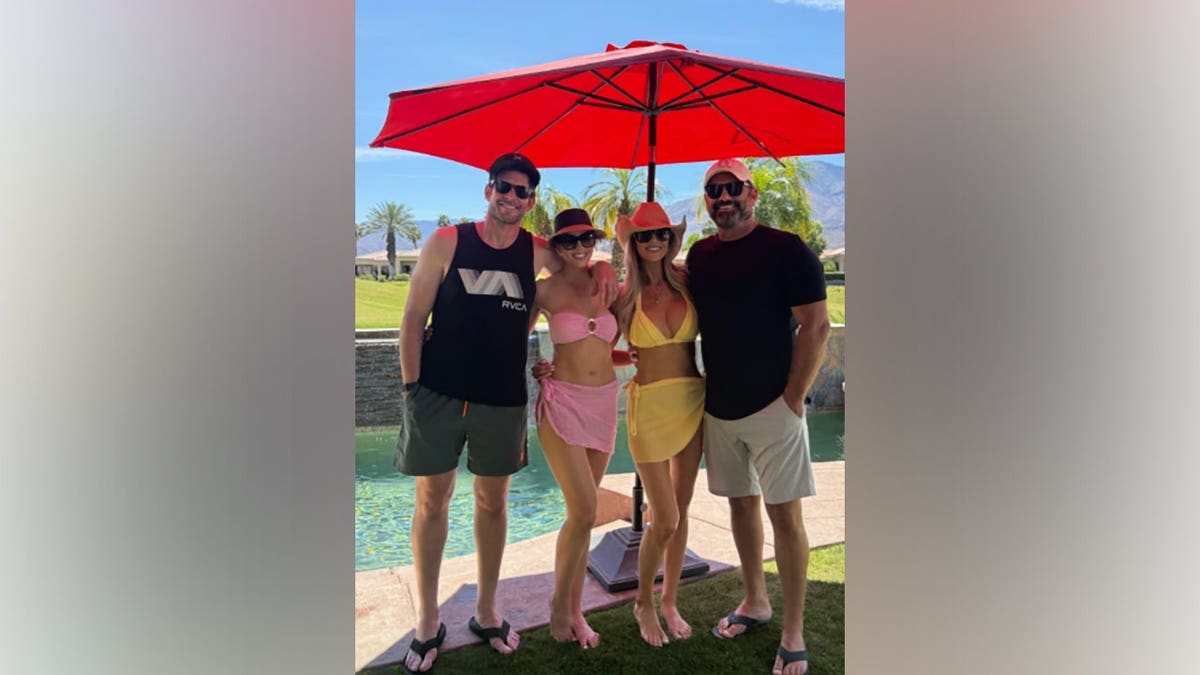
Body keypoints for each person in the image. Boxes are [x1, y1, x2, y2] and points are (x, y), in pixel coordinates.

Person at [394, 153, 617, 674]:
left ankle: (487, 611)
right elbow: (411, 318)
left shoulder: (535, 251)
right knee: (432, 501)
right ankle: (428, 621)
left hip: (501, 398)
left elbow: (578, 259)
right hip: (438, 394)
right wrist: (411, 391)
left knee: (493, 503)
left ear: (532, 200)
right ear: (488, 189)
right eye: (504, 187)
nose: (512, 198)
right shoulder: (448, 241)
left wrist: (605, 262)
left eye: (523, 192)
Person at [686, 158, 831, 675]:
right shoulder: (699, 256)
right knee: (741, 507)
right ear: (706, 201)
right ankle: (755, 600)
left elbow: (816, 325)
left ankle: (792, 630)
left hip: (775, 407)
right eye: (714, 190)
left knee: (784, 516)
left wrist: (794, 397)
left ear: (752, 194)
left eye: (734, 188)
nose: (723, 198)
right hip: (719, 407)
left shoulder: (785, 249)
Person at [528, 208, 631, 650]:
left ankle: (572, 609)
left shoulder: (609, 285)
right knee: (585, 510)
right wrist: (535, 366)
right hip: (562, 402)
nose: (580, 248)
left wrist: (639, 361)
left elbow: (612, 348)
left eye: (587, 239)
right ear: (556, 246)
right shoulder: (544, 291)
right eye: (569, 241)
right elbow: (512, 336)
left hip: (605, 403)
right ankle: (562, 608)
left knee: (581, 515)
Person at [612, 202, 706, 647]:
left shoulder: (687, 282)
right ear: (632, 243)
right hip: (648, 407)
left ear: (672, 240)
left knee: (681, 511)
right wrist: (620, 357)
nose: (654, 242)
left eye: (662, 235)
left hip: (692, 399)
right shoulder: (622, 294)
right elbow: (594, 343)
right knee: (663, 516)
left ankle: (669, 600)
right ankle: (643, 602)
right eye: (645, 236)